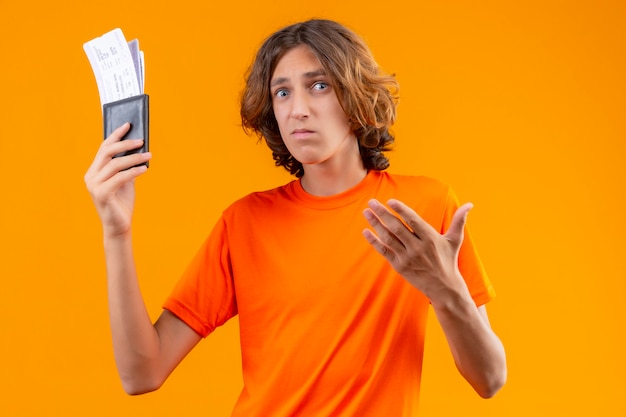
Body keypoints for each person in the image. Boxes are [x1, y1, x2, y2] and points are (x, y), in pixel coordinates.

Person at [85, 18, 506, 416]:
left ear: (356, 95)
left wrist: (446, 288)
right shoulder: (244, 222)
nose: (297, 109)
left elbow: (489, 378)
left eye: (318, 85)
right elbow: (142, 373)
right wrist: (116, 231)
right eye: (282, 92)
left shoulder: (423, 209)